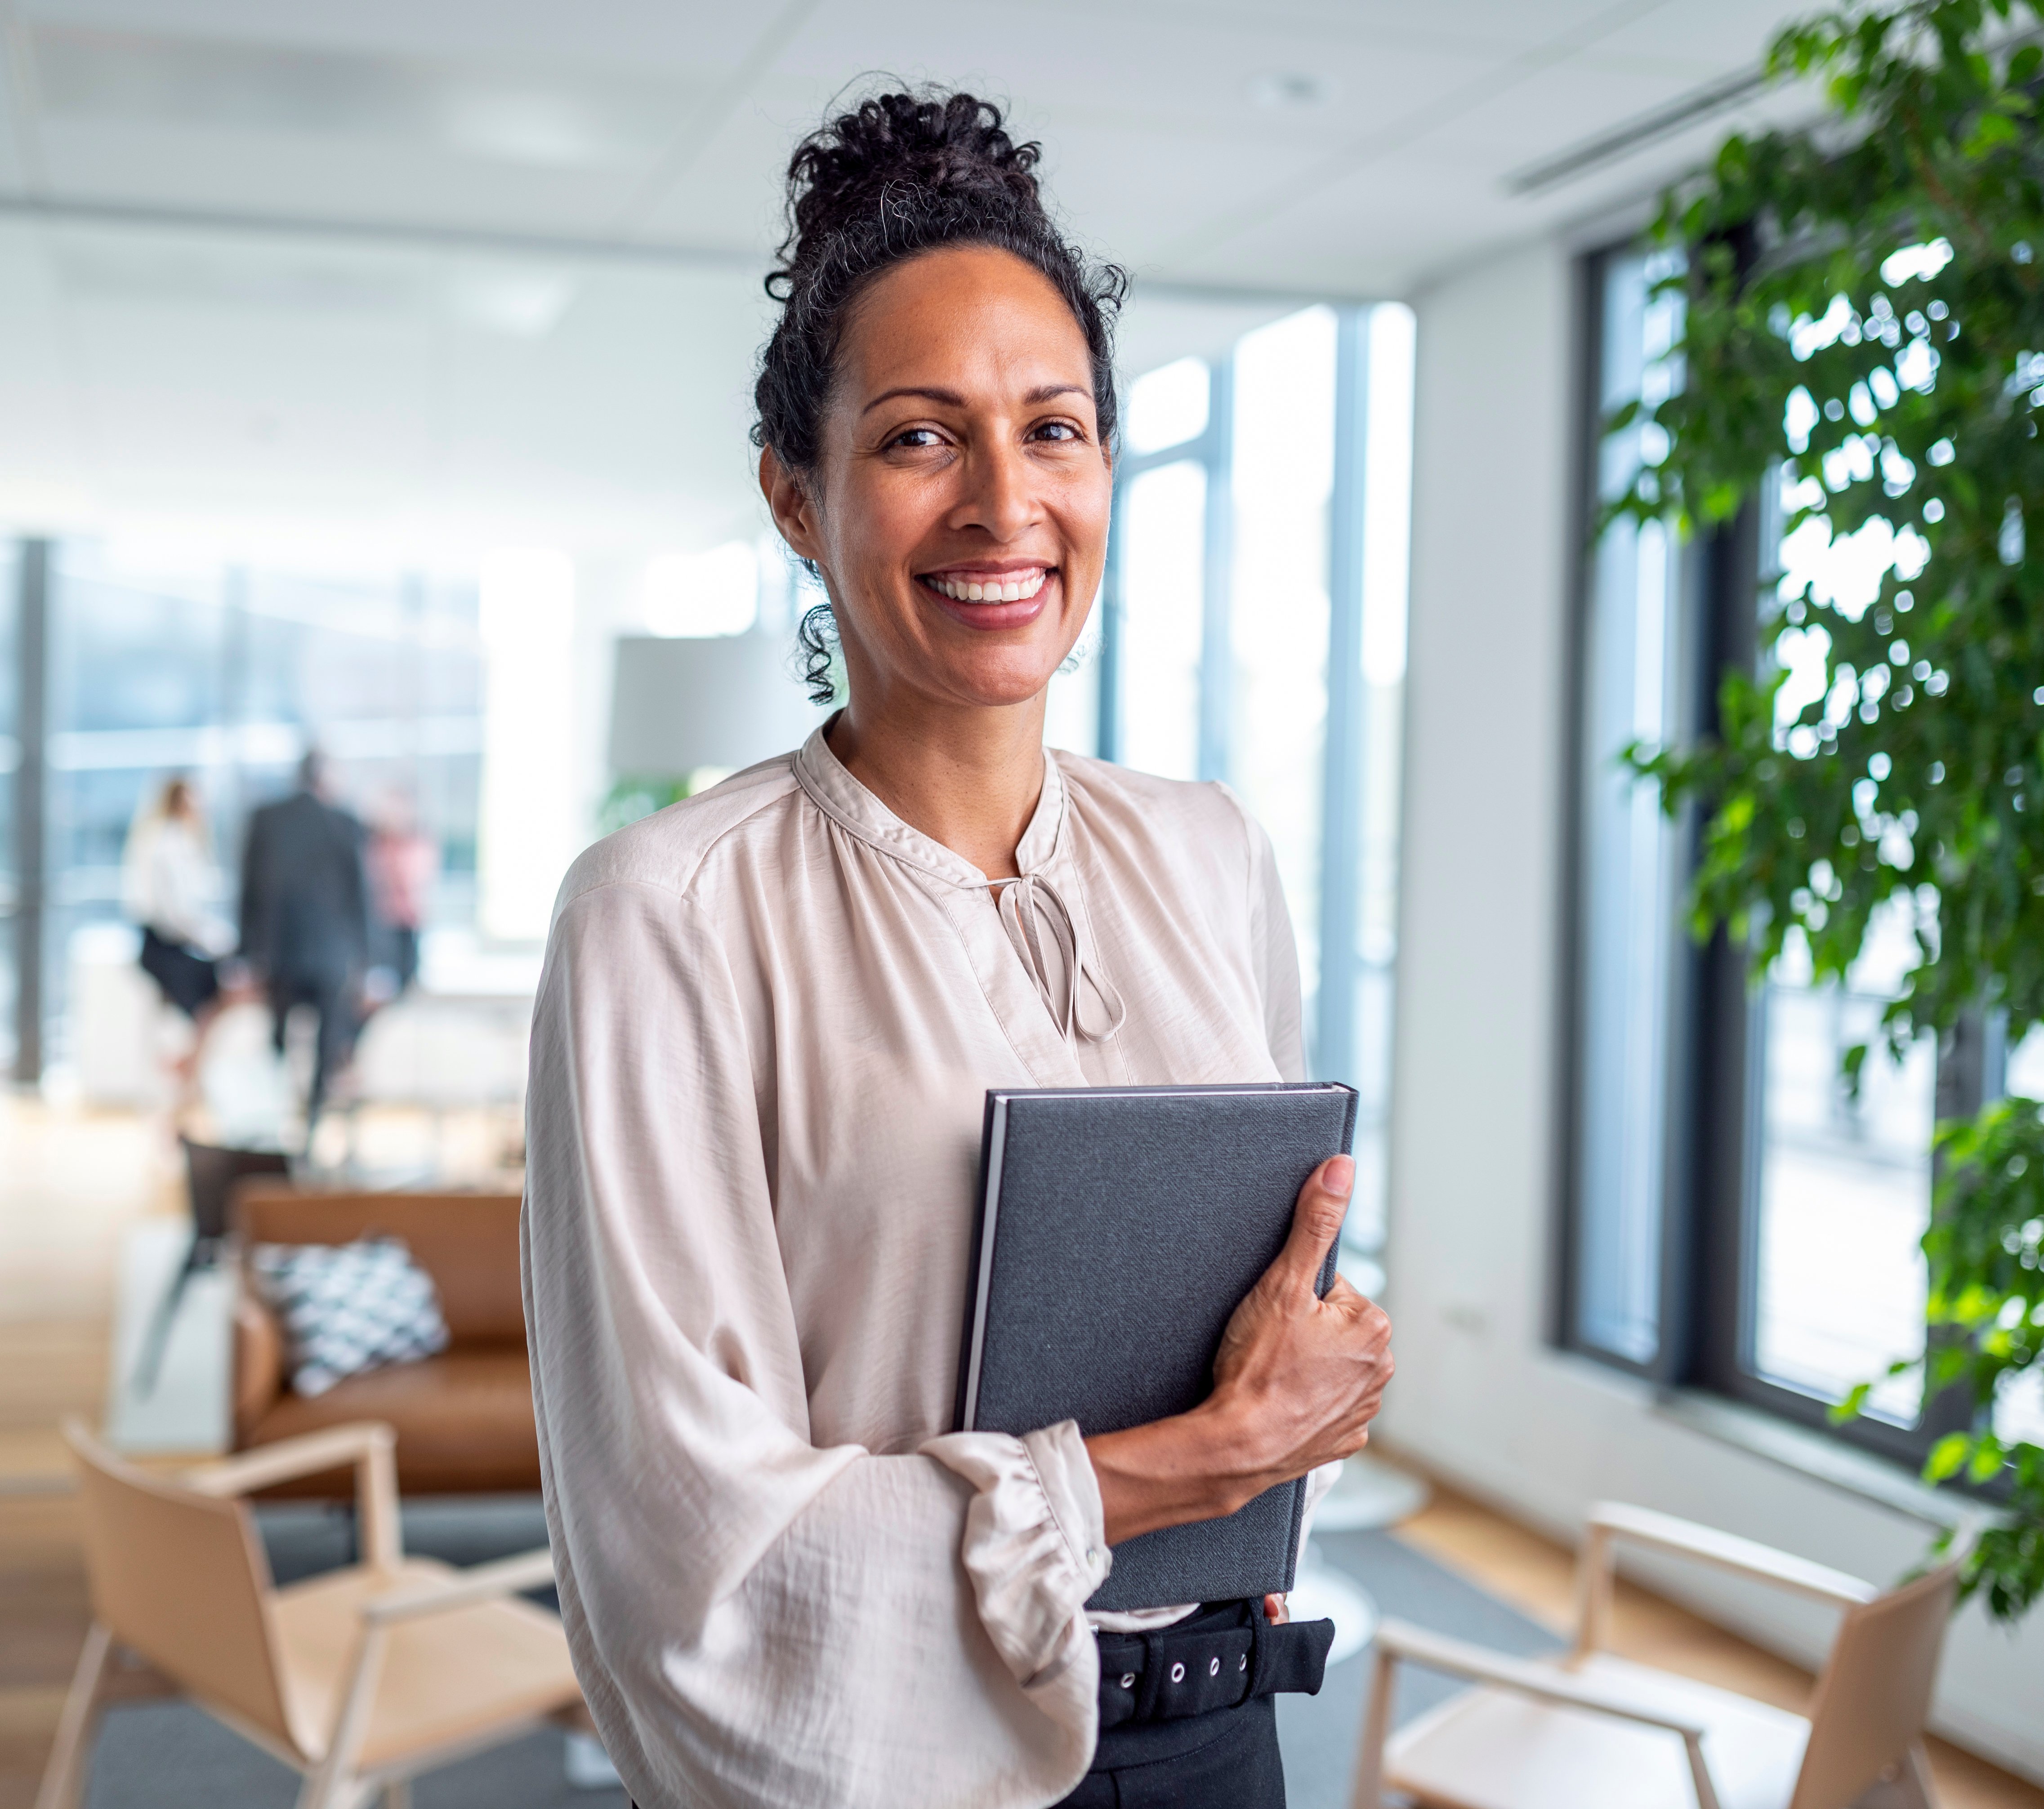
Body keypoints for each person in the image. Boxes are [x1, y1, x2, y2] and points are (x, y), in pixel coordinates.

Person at [522, 88, 1394, 1809]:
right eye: (921, 437)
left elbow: (1254, 1280)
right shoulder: (661, 914)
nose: (1005, 504)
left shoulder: (1208, 851)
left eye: (1053, 429)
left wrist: (1315, 1371)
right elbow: (684, 1549)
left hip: (1223, 1725)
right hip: (878, 1760)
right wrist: (1192, 1457)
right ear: (794, 494)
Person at [237, 748, 372, 1138]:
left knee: (278, 1039)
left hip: (279, 954)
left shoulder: (266, 819)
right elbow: (359, 897)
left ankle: (275, 1124)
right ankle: (310, 1126)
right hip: (331, 956)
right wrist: (365, 960)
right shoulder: (344, 822)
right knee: (326, 1046)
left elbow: (249, 890)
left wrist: (246, 954)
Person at [120, 775, 231, 1103]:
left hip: (183, 942)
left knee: (216, 1003)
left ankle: (186, 1064)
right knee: (215, 996)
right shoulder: (166, 845)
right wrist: (214, 941)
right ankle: (183, 1065)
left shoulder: (186, 844)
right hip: (166, 947)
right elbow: (176, 915)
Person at [363, 786, 437, 1006]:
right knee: (382, 987)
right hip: (383, 923)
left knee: (405, 983)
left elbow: (415, 880)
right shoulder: (375, 843)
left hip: (408, 922)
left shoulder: (417, 842)